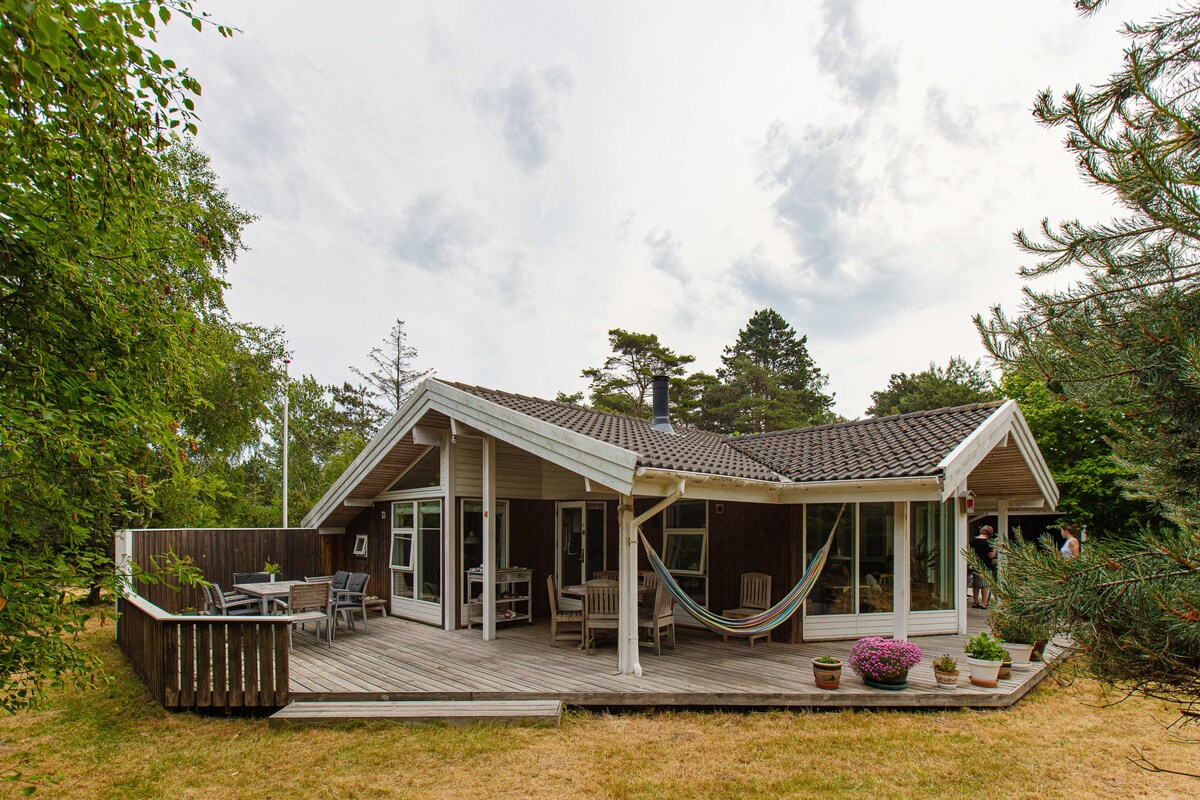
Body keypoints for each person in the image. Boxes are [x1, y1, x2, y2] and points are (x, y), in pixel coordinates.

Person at [970, 525, 998, 608]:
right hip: (986, 565)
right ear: (990, 533)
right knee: (985, 585)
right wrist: (995, 549)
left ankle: (975, 602)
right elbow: (991, 555)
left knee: (975, 585)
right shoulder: (988, 542)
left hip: (975, 564)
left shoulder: (973, 541)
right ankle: (984, 603)